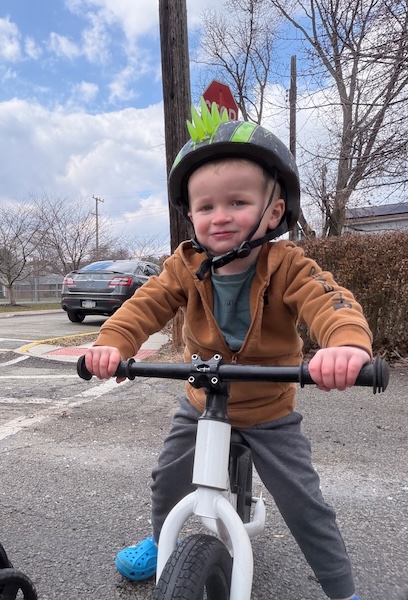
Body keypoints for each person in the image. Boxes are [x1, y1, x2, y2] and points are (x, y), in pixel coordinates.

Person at [84, 106, 370, 600]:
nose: (220, 217)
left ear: (273, 211)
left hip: (267, 409)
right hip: (202, 400)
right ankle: (162, 540)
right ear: (190, 214)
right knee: (167, 479)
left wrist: (345, 345)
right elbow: (144, 306)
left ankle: (343, 589)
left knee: (305, 503)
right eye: (206, 206)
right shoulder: (184, 265)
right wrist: (112, 344)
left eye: (237, 202)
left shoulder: (287, 263)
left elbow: (330, 300)